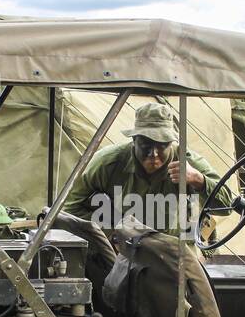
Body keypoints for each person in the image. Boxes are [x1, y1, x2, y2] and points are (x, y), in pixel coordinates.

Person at [64, 101, 230, 239]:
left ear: (171, 143)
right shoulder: (109, 163)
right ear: (134, 140)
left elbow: (227, 206)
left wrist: (199, 181)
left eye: (162, 145)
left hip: (177, 255)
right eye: (146, 144)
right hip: (125, 252)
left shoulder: (187, 162)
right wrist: (109, 233)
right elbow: (69, 209)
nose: (154, 154)